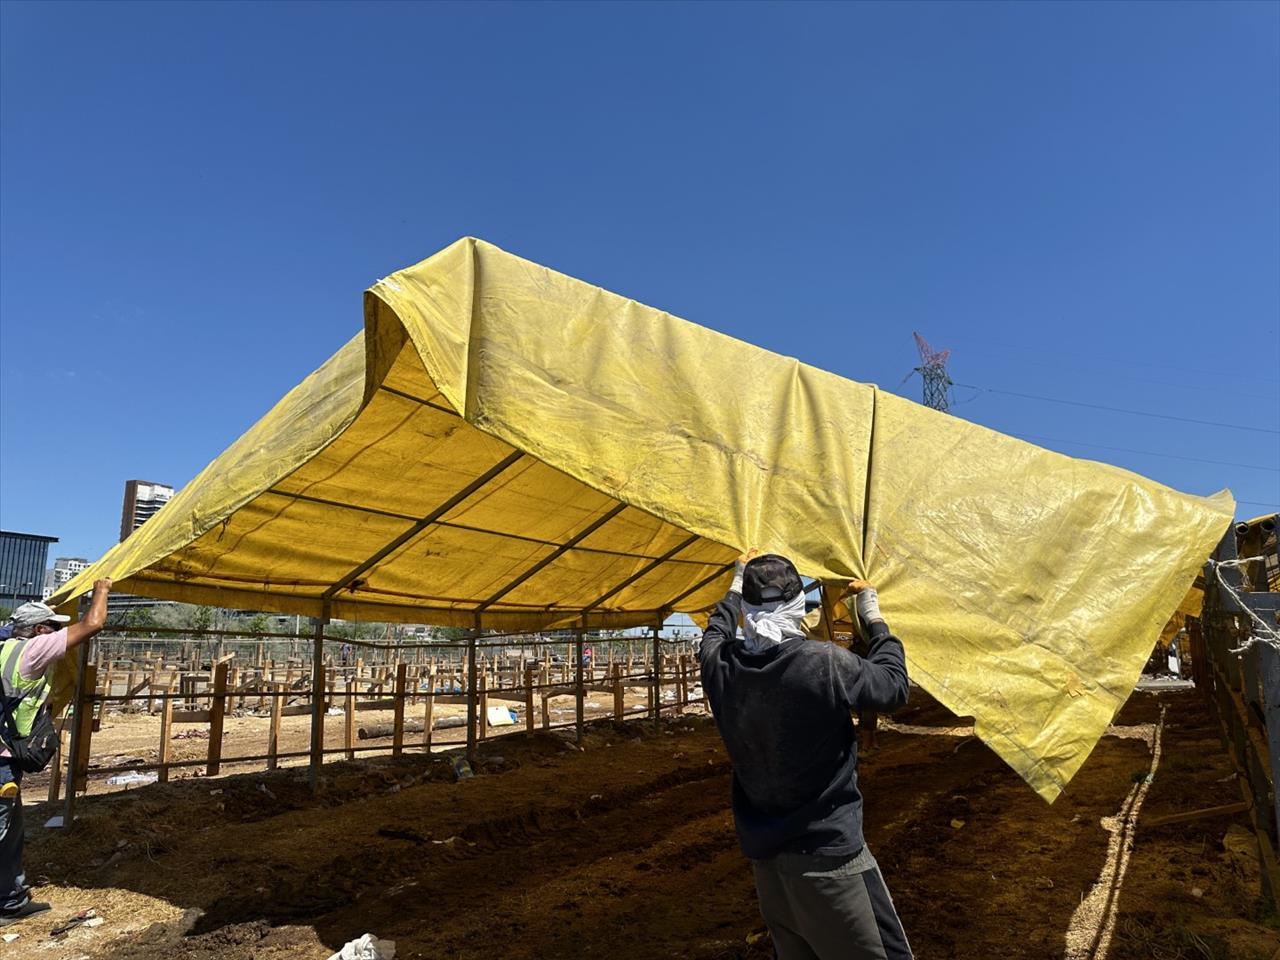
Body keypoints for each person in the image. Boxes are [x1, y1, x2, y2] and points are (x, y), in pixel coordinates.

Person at [697, 552, 911, 960]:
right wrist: (874, 618)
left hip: (769, 867)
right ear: (799, 606)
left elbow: (717, 628)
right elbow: (893, 686)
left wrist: (737, 581)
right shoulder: (823, 663)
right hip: (829, 859)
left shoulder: (720, 665)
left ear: (746, 608)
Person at [0, 578, 112, 926]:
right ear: (37, 630)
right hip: (1, 758)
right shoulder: (31, 650)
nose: (53, 635)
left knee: (12, 829)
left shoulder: (3, 649)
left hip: (7, 756)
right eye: (50, 628)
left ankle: (11, 900)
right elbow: (93, 624)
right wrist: (102, 590)